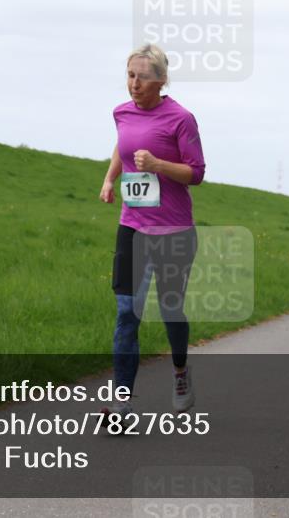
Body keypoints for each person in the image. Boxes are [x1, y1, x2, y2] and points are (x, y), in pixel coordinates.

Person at [99, 44, 206, 419]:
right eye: (130, 75)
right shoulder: (121, 113)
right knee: (127, 311)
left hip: (174, 231)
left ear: (161, 81)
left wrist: (159, 163)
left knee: (170, 309)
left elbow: (196, 173)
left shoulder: (181, 119)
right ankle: (122, 400)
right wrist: (111, 178)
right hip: (132, 226)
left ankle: (180, 371)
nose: (134, 83)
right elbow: (122, 145)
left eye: (143, 77)